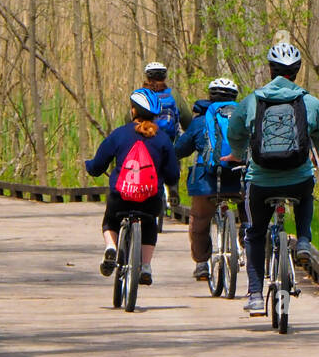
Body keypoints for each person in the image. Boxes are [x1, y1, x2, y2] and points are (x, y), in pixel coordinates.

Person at [225, 42, 319, 317]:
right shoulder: (310, 101)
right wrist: (317, 151)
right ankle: (304, 240)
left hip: (260, 181)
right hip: (298, 177)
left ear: (270, 70)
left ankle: (256, 295)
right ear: (297, 71)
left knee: (255, 233)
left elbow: (235, 133)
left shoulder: (252, 101)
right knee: (306, 191)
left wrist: (238, 154)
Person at [85, 89, 180, 286]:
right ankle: (145, 265)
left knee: (110, 219)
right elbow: (172, 175)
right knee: (150, 224)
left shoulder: (119, 134)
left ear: (133, 111)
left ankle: (111, 247)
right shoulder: (162, 139)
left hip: (120, 197)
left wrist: (90, 167)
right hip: (150, 200)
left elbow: (98, 165)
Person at [174, 77, 244, 280]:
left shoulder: (200, 122)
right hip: (239, 179)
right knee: (251, 214)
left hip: (208, 182)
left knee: (200, 220)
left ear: (210, 97)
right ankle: (247, 246)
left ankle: (202, 264)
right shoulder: (244, 119)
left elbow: (180, 149)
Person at [140, 61, 191, 208]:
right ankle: (172, 185)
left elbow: (128, 118)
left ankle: (143, 186)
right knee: (174, 154)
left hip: (147, 140)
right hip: (169, 141)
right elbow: (186, 118)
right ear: (165, 76)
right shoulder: (173, 95)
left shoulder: (142, 95)